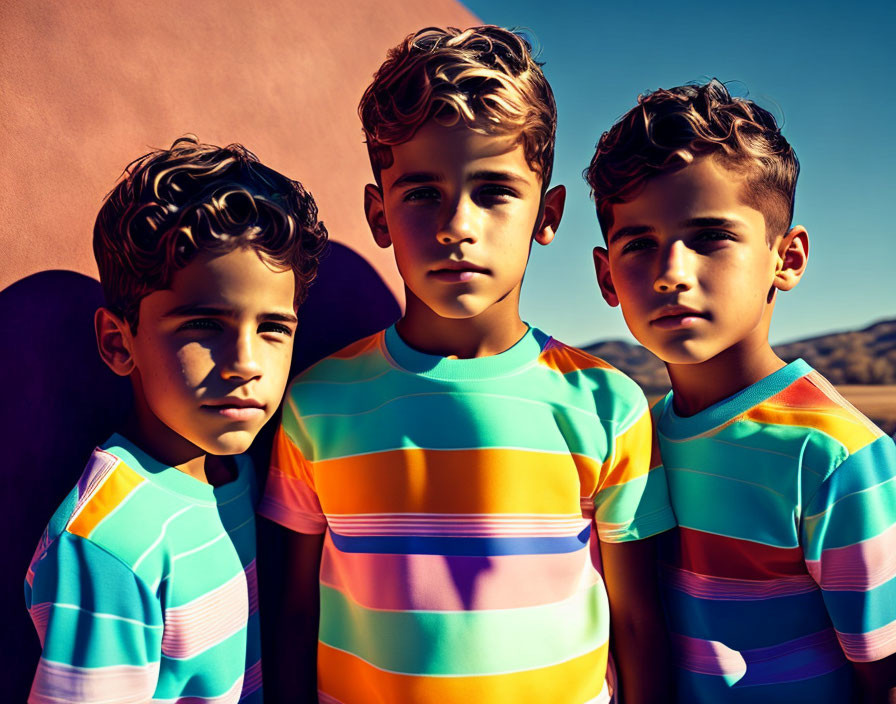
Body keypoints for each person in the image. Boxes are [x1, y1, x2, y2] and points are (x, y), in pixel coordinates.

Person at [259, 26, 675, 704]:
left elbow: (637, 623)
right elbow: (294, 612)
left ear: (549, 213)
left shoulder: (606, 406)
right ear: (378, 213)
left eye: (493, 190)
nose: (459, 224)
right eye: (422, 192)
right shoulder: (316, 404)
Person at [587, 79, 896, 703]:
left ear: (788, 257)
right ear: (606, 276)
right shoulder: (634, 437)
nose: (672, 273)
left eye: (709, 237)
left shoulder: (835, 454)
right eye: (639, 243)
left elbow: (885, 673)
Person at [24, 136, 327, 704]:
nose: (245, 365)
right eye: (204, 326)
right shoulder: (107, 545)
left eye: (272, 329)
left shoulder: (235, 472)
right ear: (119, 343)